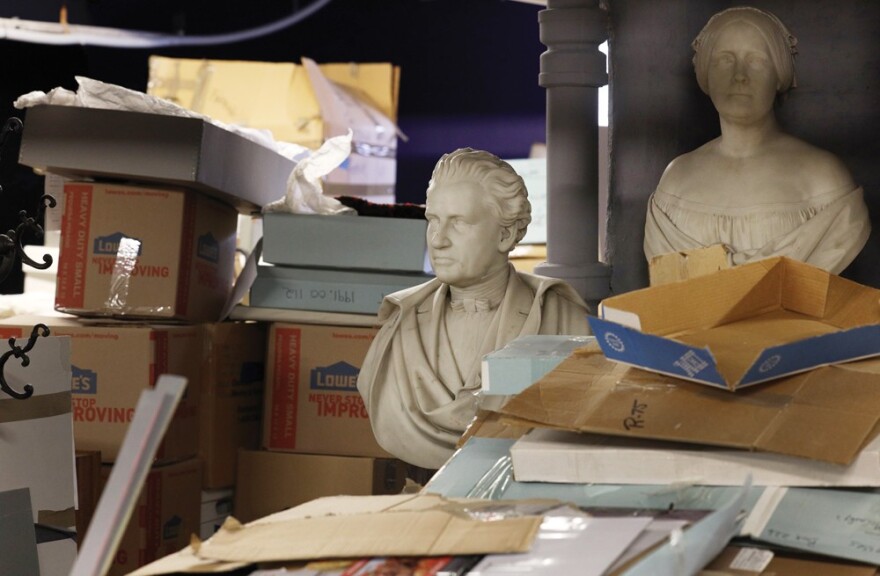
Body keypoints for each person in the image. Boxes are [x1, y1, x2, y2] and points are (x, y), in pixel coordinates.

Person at [357, 148, 590, 470]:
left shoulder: (564, 321)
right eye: (433, 221)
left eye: (458, 223)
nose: (438, 240)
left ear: (505, 234)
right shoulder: (399, 324)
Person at [644, 6, 870, 274]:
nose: (740, 75)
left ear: (778, 75)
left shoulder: (823, 178)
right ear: (706, 74)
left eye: (757, 61)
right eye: (724, 60)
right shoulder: (676, 181)